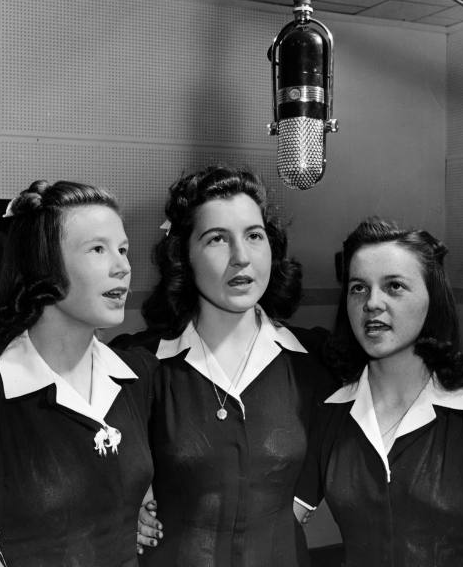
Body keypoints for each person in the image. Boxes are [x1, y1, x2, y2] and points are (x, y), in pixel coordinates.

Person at [112, 165, 333, 567]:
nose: (241, 257)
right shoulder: (139, 365)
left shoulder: (315, 360)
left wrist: (303, 498)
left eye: (254, 236)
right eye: (217, 239)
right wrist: (122, 510)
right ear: (184, 256)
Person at [296, 217, 463, 567]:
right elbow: (272, 520)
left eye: (394, 286)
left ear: (433, 298)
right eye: (358, 288)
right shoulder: (330, 416)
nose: (372, 303)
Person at [0, 180, 157, 567]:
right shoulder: (3, 390)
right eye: (98, 250)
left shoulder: (137, 374)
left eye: (123, 250)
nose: (122, 267)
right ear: (43, 264)